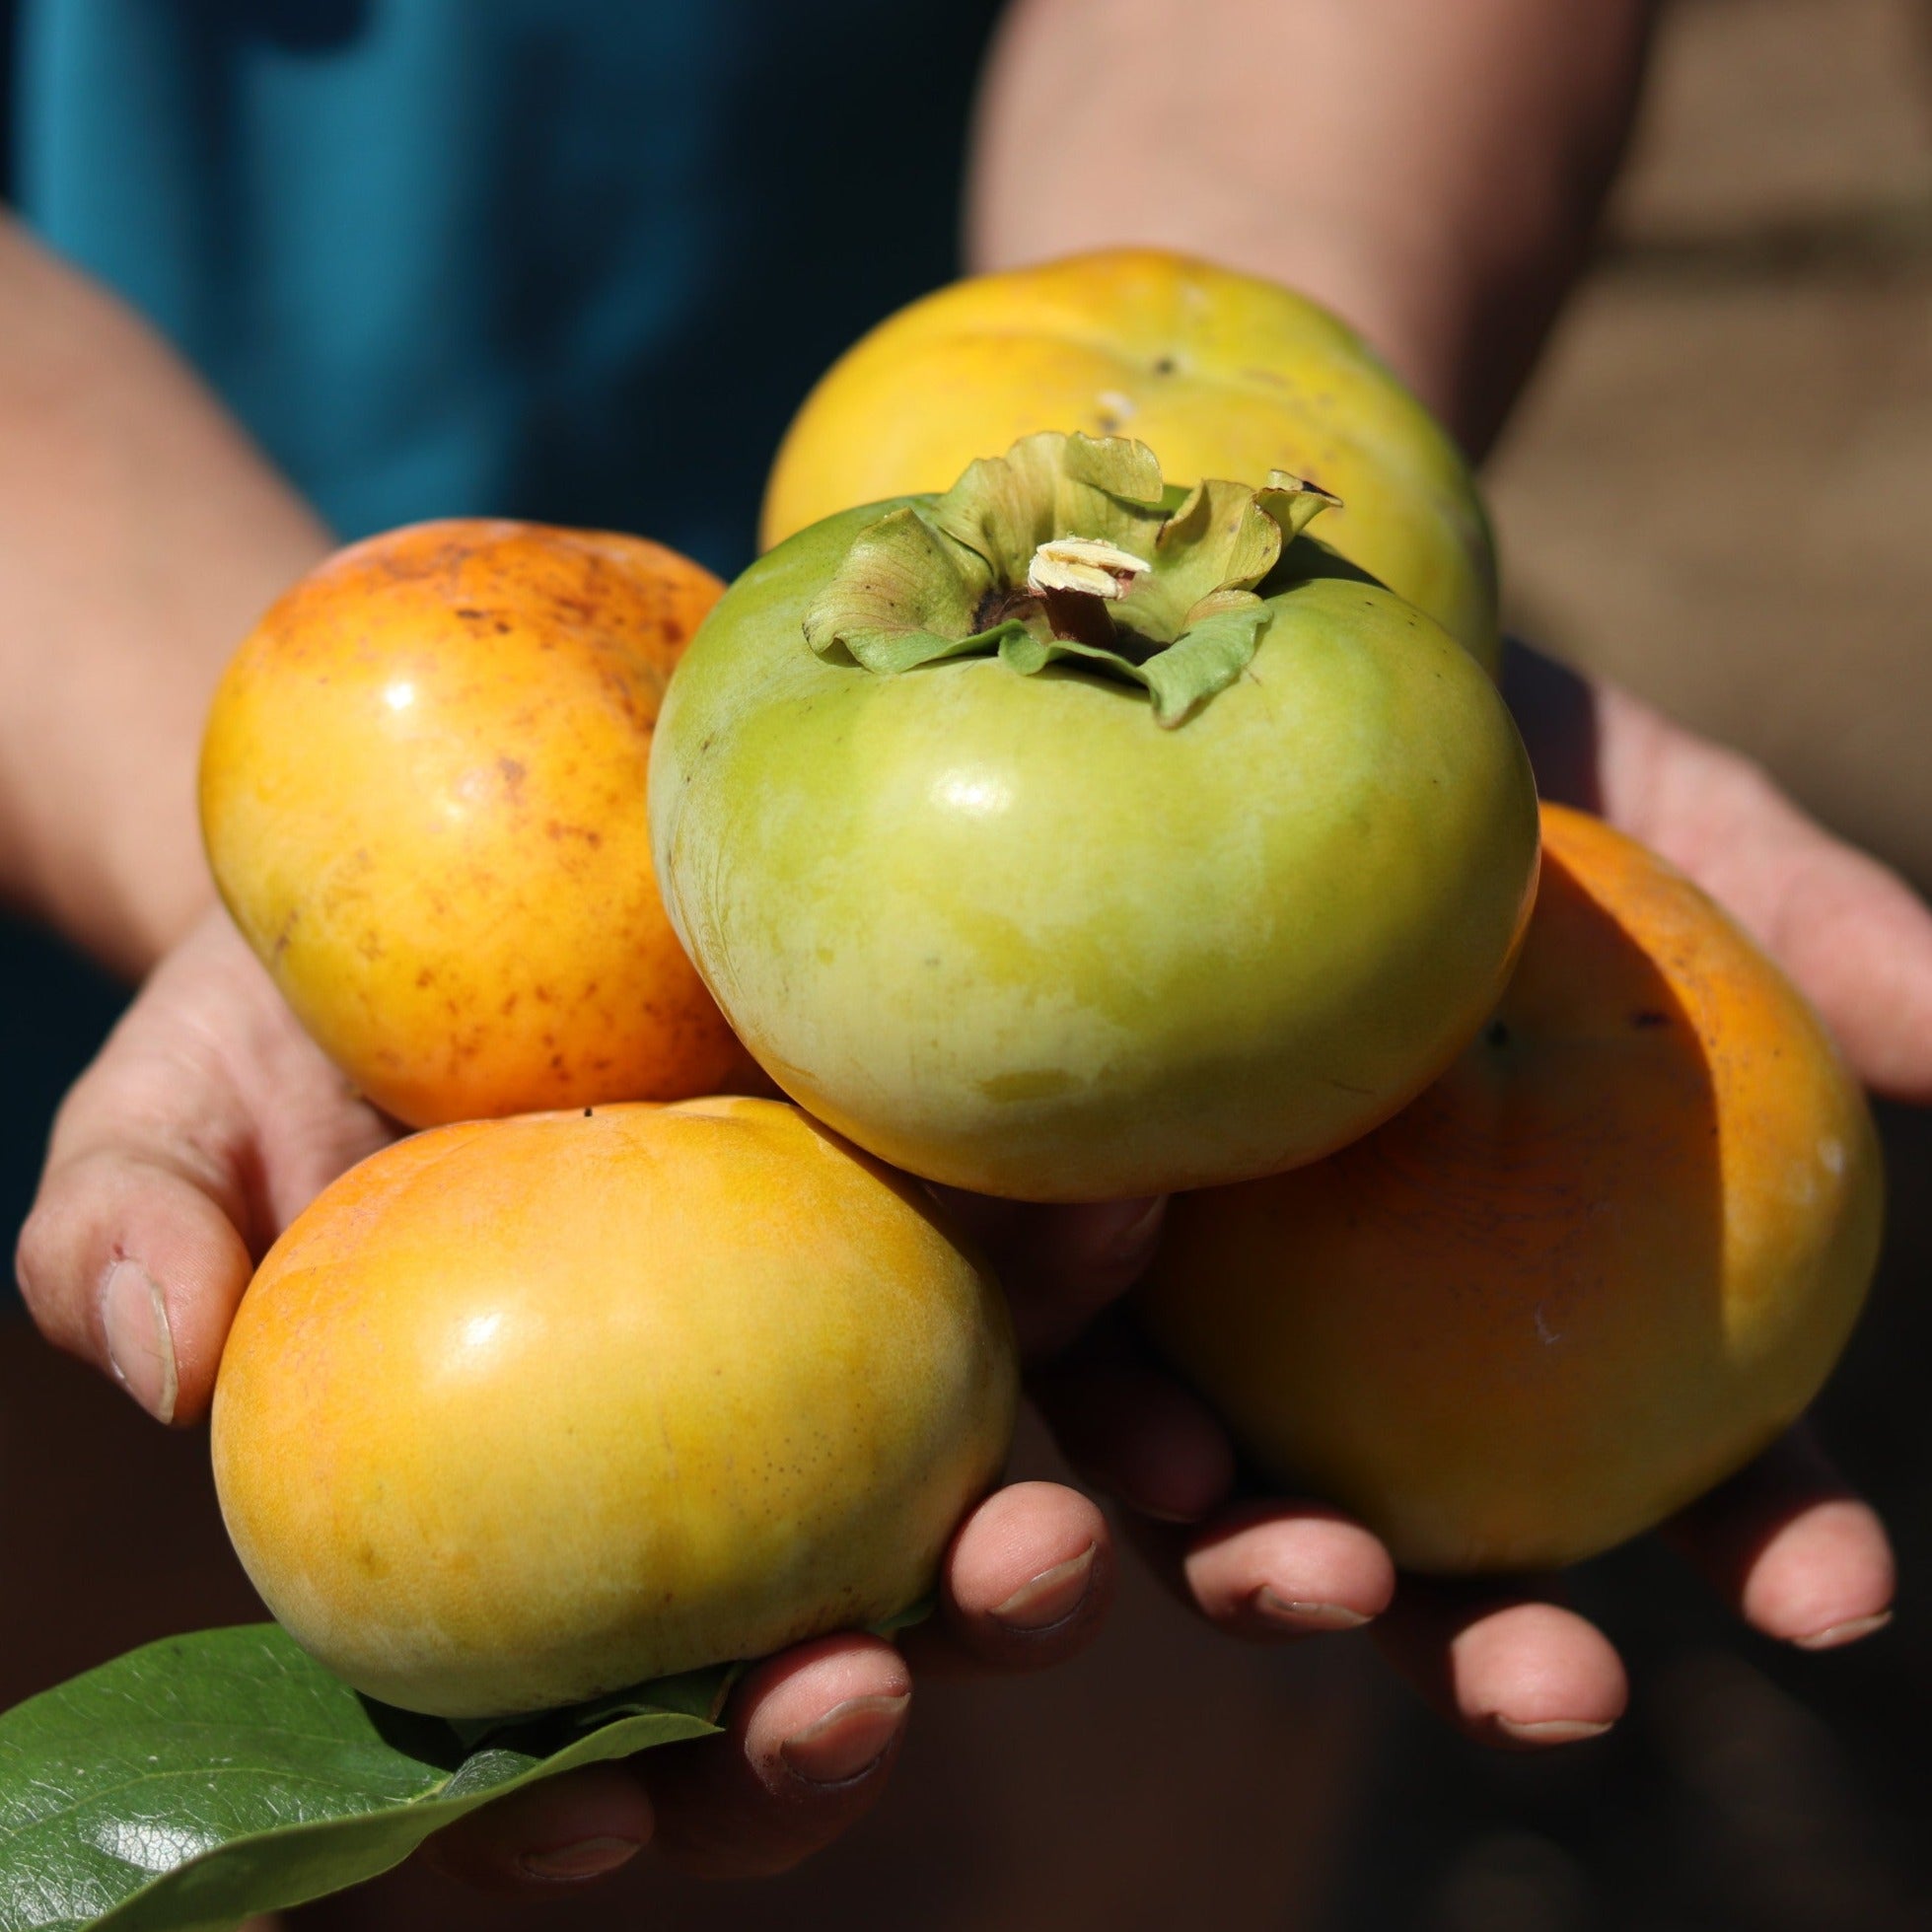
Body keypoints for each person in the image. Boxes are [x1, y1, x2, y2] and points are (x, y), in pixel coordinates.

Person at [5, 0, 1927, 1900]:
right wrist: (252, 850)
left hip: (976, 1134)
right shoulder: (1283, 735)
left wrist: (1291, 417)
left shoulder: (1164, 672)